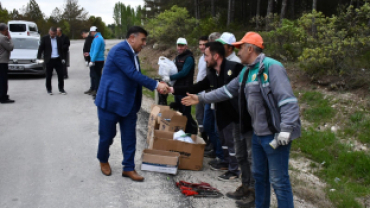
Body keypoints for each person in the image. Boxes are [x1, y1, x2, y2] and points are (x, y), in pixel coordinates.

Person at [181, 32, 301, 208]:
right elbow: (226, 91)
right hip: (257, 135)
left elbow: (287, 100)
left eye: (240, 48)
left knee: (279, 181)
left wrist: (286, 128)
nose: (237, 52)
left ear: (250, 49)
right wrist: (200, 98)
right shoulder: (246, 72)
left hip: (275, 135)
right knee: (260, 176)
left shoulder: (271, 67)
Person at [94, 26, 168, 182]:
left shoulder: (133, 53)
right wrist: (155, 85)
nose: (145, 43)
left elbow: (133, 77)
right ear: (132, 38)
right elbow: (132, 74)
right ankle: (103, 159)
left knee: (129, 137)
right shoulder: (120, 51)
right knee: (107, 136)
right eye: (143, 39)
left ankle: (128, 168)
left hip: (128, 103)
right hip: (110, 103)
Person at [164, 41, 244, 182]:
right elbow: (197, 86)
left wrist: (201, 98)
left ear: (216, 56)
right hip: (220, 112)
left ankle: (234, 170)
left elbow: (228, 93)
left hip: (235, 114)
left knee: (232, 143)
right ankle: (226, 163)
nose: (204, 58)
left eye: (206, 55)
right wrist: (172, 89)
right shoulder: (213, 72)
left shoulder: (235, 68)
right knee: (224, 139)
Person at [161, 37, 197, 135]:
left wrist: (170, 78)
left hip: (186, 90)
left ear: (186, 46)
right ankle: (181, 134)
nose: (180, 48)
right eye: (178, 45)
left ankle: (191, 134)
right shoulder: (177, 58)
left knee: (185, 114)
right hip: (177, 89)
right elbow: (171, 68)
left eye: (182, 46)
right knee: (179, 112)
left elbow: (184, 73)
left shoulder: (189, 58)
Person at [37, 27, 66, 95]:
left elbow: (61, 50)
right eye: (51, 33)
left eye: (54, 34)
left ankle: (61, 89)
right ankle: (49, 89)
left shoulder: (59, 39)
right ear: (49, 32)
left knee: (61, 75)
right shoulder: (45, 38)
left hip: (58, 59)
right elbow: (41, 48)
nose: (52, 35)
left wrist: (63, 58)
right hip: (49, 59)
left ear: (56, 33)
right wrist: (38, 57)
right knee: (49, 75)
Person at [195, 36, 211, 151]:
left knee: (207, 119)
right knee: (199, 116)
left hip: (207, 92)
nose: (202, 47)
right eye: (200, 44)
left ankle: (211, 143)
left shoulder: (210, 58)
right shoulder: (201, 58)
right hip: (198, 92)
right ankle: (204, 140)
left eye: (204, 44)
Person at [89, 26, 105, 100]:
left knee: (97, 77)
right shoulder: (99, 37)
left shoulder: (98, 38)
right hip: (98, 59)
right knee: (97, 76)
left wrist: (92, 60)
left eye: (91, 32)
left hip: (97, 60)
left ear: (93, 31)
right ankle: (97, 91)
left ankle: (98, 92)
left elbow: (96, 50)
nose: (90, 33)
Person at [0, 23, 14, 104]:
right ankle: (3, 97)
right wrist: (10, 38)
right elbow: (10, 47)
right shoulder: (2, 38)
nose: (7, 31)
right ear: (4, 30)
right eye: (7, 30)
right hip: (2, 61)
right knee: (3, 80)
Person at [81, 30, 95, 96]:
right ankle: (92, 88)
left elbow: (88, 50)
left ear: (84, 33)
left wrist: (87, 59)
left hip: (92, 59)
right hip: (90, 59)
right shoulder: (89, 38)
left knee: (94, 74)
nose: (82, 36)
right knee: (92, 74)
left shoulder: (90, 39)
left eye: (82, 35)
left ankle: (94, 88)